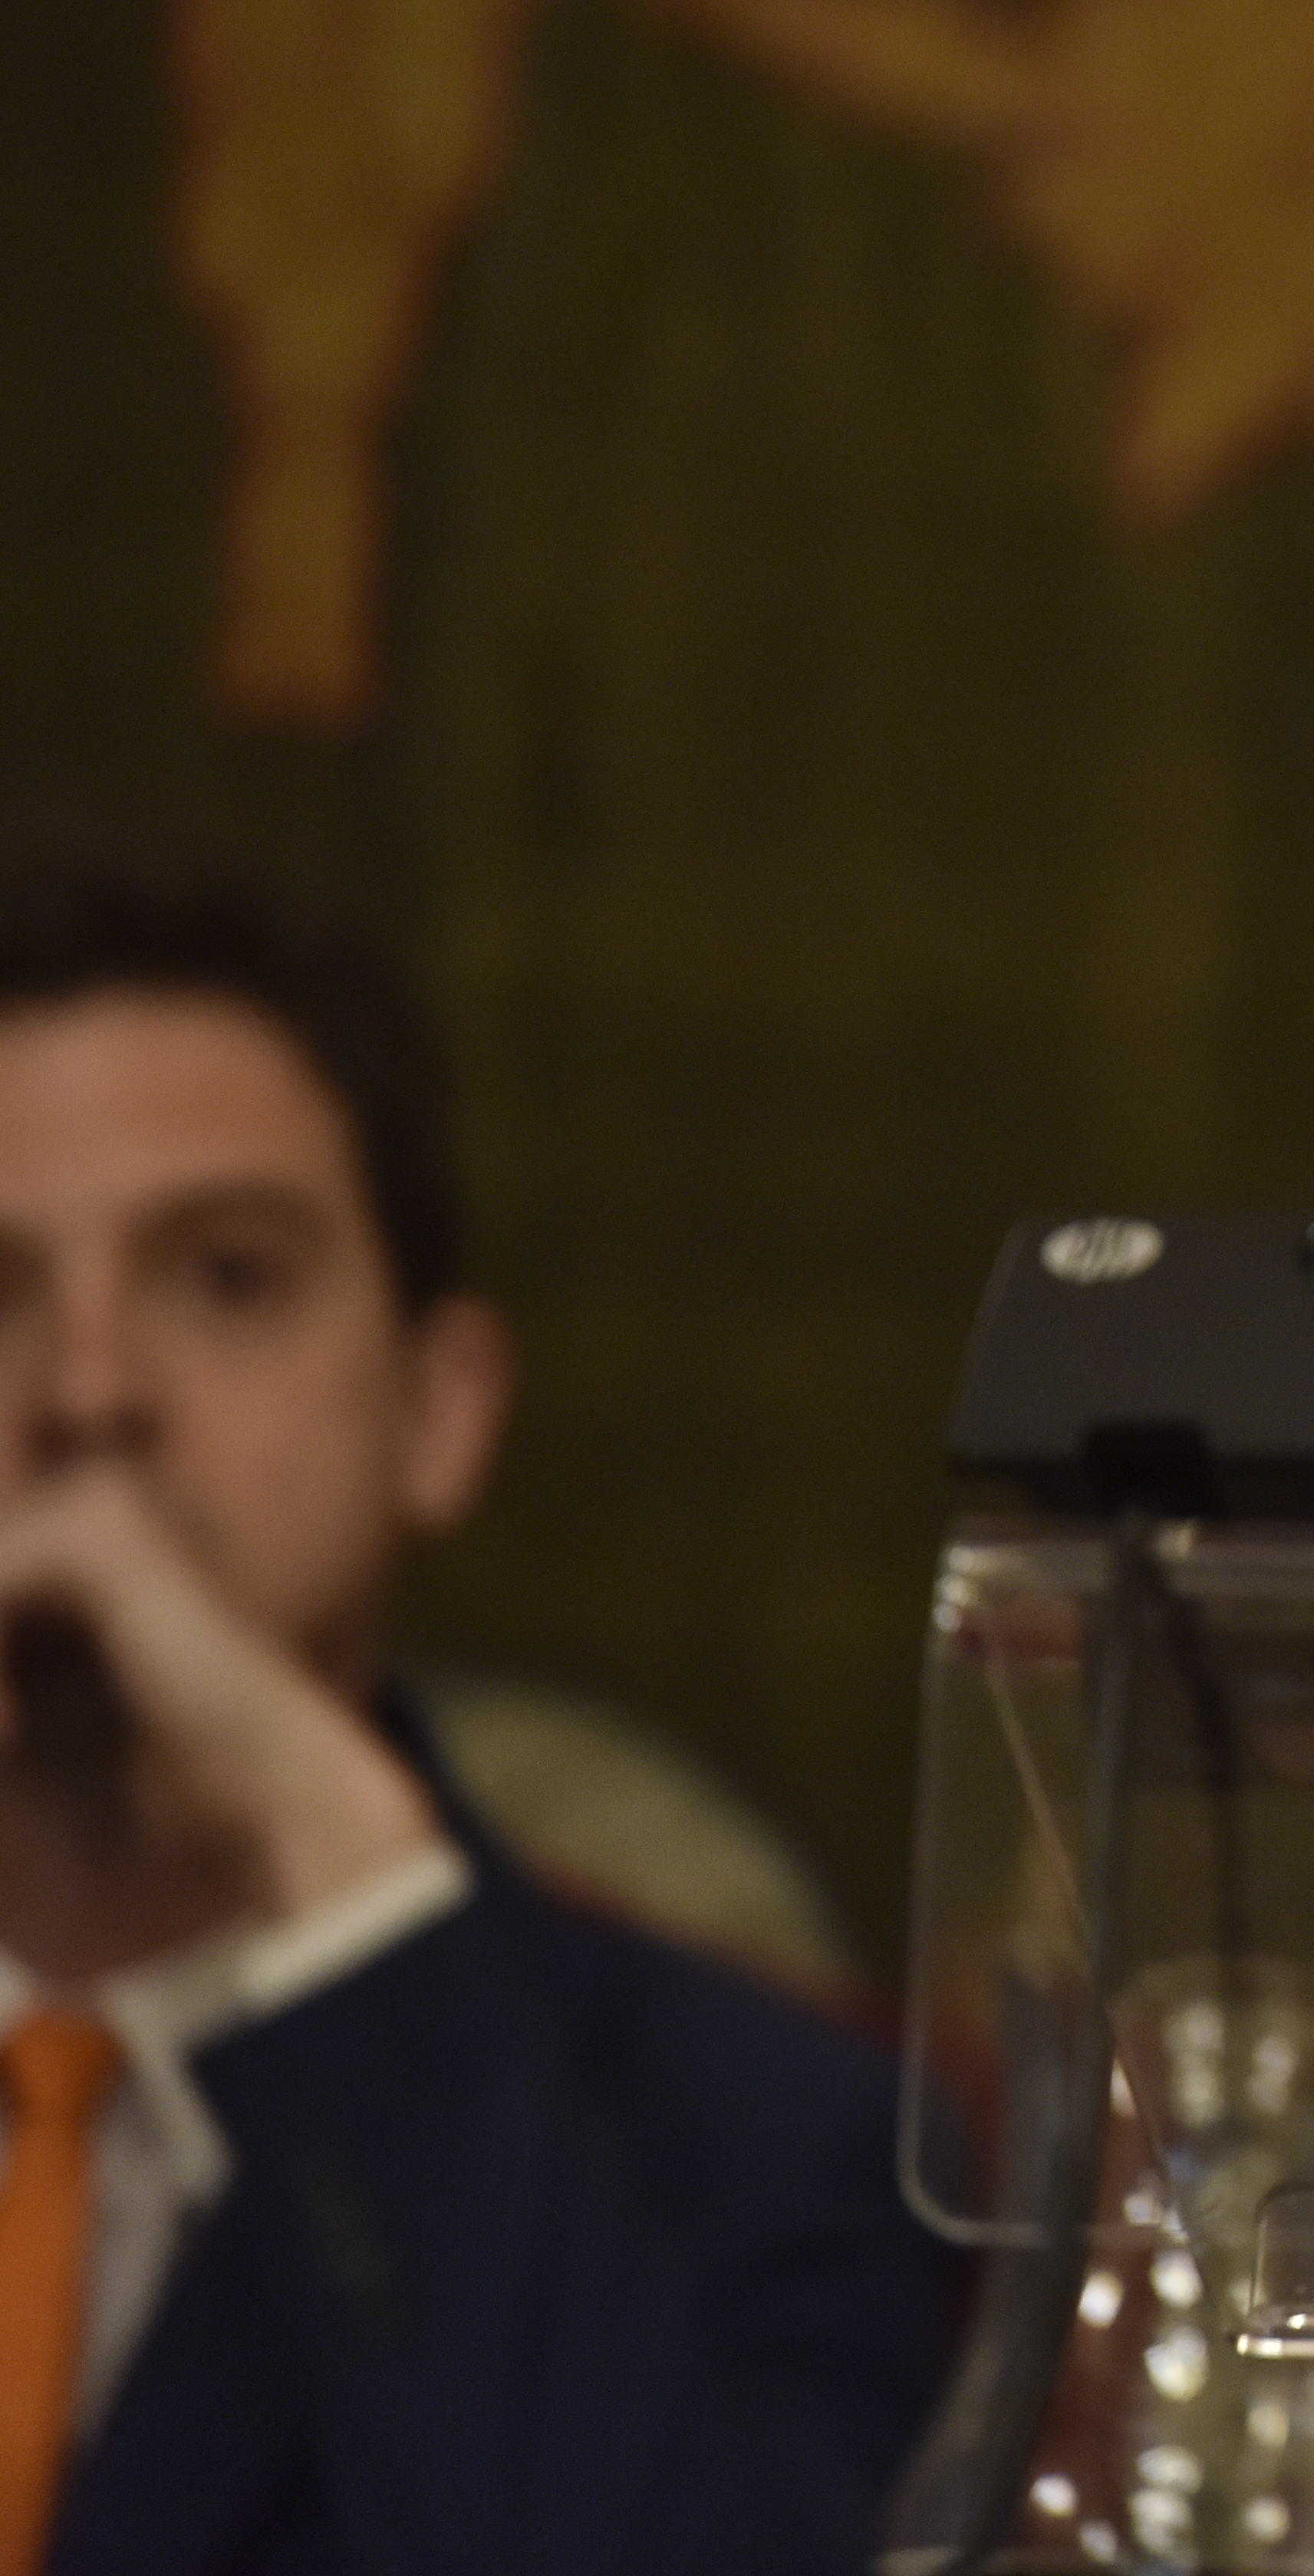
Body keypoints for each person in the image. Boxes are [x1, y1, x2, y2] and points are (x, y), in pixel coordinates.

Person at [0, 848, 956, 2574]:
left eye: (225, 1276)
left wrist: (333, 1842)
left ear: (439, 1408)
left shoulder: (769, 2142)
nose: (87, 1390)